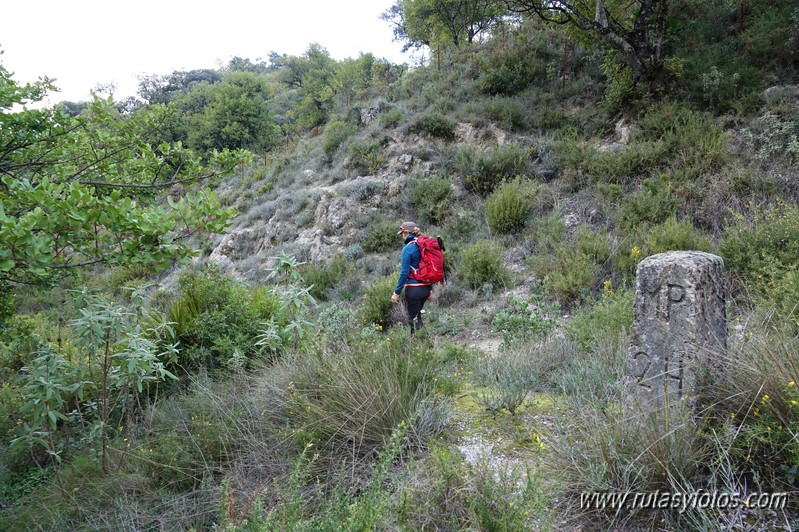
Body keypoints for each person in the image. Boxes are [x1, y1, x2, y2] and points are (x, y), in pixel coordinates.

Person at [391, 221, 433, 333]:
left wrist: (396, 292)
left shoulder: (408, 248)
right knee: (417, 315)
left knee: (412, 320)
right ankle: (423, 341)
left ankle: (417, 343)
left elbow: (404, 273)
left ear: (406, 233)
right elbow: (429, 266)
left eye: (402, 234)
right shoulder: (424, 245)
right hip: (426, 288)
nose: (402, 237)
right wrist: (430, 289)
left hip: (414, 289)